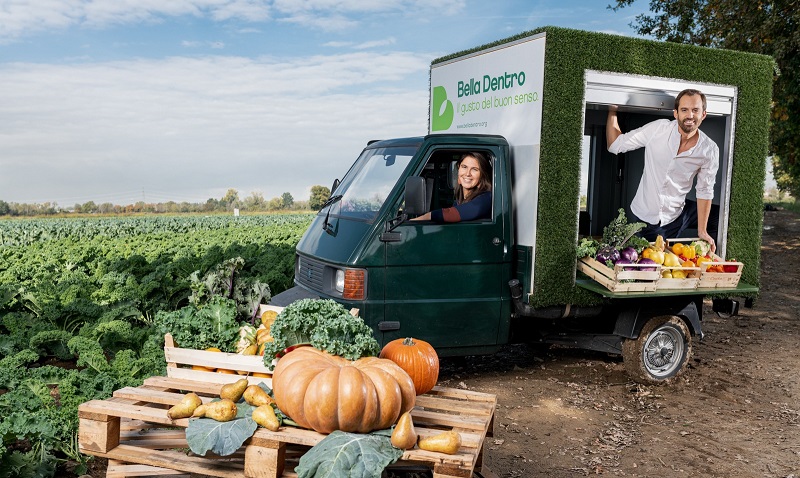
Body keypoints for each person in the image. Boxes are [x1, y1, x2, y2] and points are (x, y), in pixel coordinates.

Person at [606, 89, 719, 252]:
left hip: (679, 210)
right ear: (675, 113)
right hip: (653, 220)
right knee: (658, 261)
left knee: (719, 215)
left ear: (703, 114)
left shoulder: (709, 149)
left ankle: (712, 259)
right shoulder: (658, 129)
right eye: (684, 110)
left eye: (695, 110)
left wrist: (702, 231)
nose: (690, 116)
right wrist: (612, 110)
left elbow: (705, 190)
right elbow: (615, 145)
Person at [413, 152, 492, 222]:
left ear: (482, 174)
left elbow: (452, 214)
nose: (468, 174)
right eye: (464, 167)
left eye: (474, 169)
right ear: (458, 168)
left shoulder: (486, 199)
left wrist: (416, 220)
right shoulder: (459, 202)